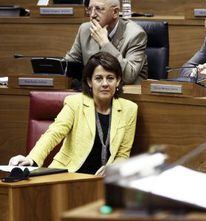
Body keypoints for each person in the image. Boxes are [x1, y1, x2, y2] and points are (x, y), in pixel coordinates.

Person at [9, 52, 138, 176]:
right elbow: (54, 133)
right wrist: (32, 159)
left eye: (110, 78)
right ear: (89, 82)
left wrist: (112, 169)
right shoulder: (75, 103)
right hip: (69, 174)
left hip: (102, 181)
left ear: (118, 81)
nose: (105, 83)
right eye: (98, 78)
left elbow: (123, 154)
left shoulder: (129, 109)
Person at [65, 0, 148, 84]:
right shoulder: (85, 29)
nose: (92, 15)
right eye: (90, 9)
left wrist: (105, 43)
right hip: (93, 91)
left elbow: (129, 76)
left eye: (99, 9)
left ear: (115, 12)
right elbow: (69, 64)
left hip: (125, 93)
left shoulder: (135, 34)